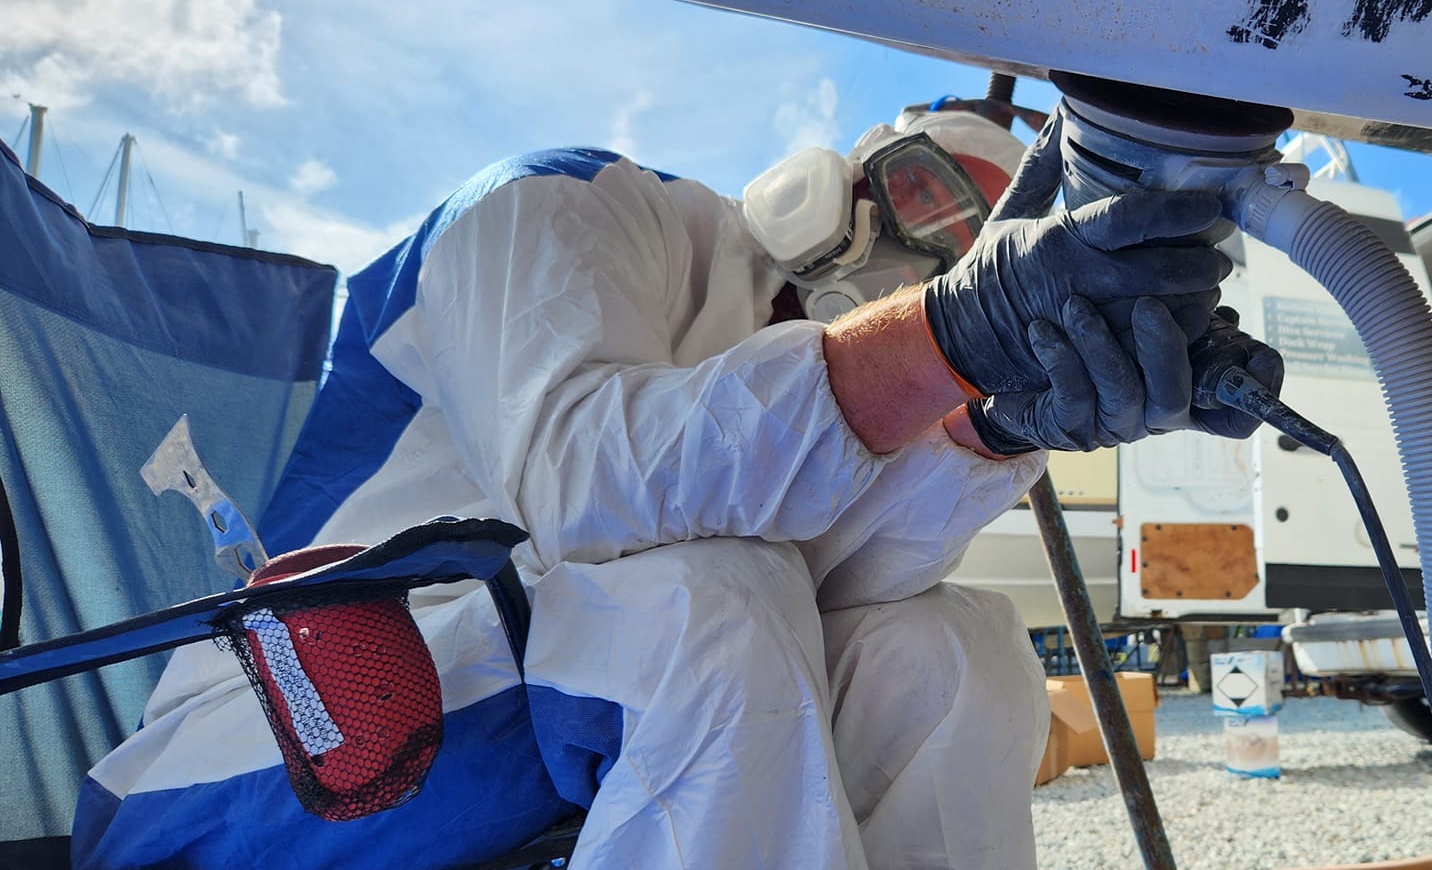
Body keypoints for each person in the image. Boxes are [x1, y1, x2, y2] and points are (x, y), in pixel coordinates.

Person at [70, 104, 1273, 869]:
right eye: (927, 198)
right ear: (830, 183)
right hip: (280, 758)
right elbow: (580, 482)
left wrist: (995, 421)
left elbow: (850, 583)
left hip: (504, 709)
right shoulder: (555, 204)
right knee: (715, 603)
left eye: (970, 255)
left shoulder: (823, 369)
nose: (934, 257)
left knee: (954, 646)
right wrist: (946, 335)